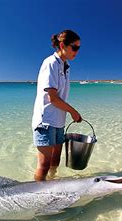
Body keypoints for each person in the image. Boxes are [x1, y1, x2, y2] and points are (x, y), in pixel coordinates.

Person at [31, 29, 82, 181]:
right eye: (74, 47)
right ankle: (37, 198)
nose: (77, 52)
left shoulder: (66, 67)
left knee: (55, 162)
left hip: (58, 121)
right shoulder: (51, 63)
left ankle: (51, 189)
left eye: (78, 48)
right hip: (46, 121)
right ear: (62, 45)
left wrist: (69, 113)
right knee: (44, 165)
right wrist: (73, 111)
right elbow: (52, 98)